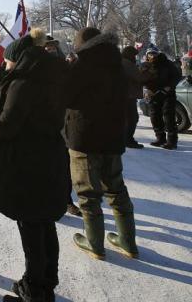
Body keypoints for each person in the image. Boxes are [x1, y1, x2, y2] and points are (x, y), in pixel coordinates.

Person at [0, 28, 68, 302]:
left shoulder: (23, 82)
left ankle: (33, 291)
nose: (4, 65)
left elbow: (8, 128)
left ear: (18, 58)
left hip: (29, 164)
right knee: (44, 224)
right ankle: (45, 284)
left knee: (31, 227)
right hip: (49, 157)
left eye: (7, 60)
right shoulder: (52, 75)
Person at [64, 27, 139, 261]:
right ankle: (128, 241)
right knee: (116, 189)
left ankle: (95, 244)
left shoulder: (82, 65)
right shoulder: (117, 64)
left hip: (85, 138)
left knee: (87, 193)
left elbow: (66, 97)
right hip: (113, 135)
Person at [44, 36, 82, 217]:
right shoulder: (36, 69)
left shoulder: (64, 67)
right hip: (43, 124)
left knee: (64, 166)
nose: (50, 50)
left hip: (63, 123)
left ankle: (66, 201)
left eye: (53, 47)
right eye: (47, 47)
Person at [141, 47, 182, 150]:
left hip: (167, 93)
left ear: (158, 54)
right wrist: (146, 89)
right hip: (153, 94)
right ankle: (160, 138)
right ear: (146, 55)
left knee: (168, 116)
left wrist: (169, 86)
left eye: (154, 53)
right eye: (149, 54)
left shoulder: (166, 63)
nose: (152, 56)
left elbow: (176, 76)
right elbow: (141, 79)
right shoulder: (145, 65)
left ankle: (172, 141)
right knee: (155, 116)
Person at [121, 46, 145, 149]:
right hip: (128, 95)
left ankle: (126, 139)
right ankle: (128, 140)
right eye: (134, 55)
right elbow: (139, 78)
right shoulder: (127, 64)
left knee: (129, 118)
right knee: (132, 118)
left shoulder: (123, 62)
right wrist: (147, 71)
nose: (135, 57)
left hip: (125, 94)